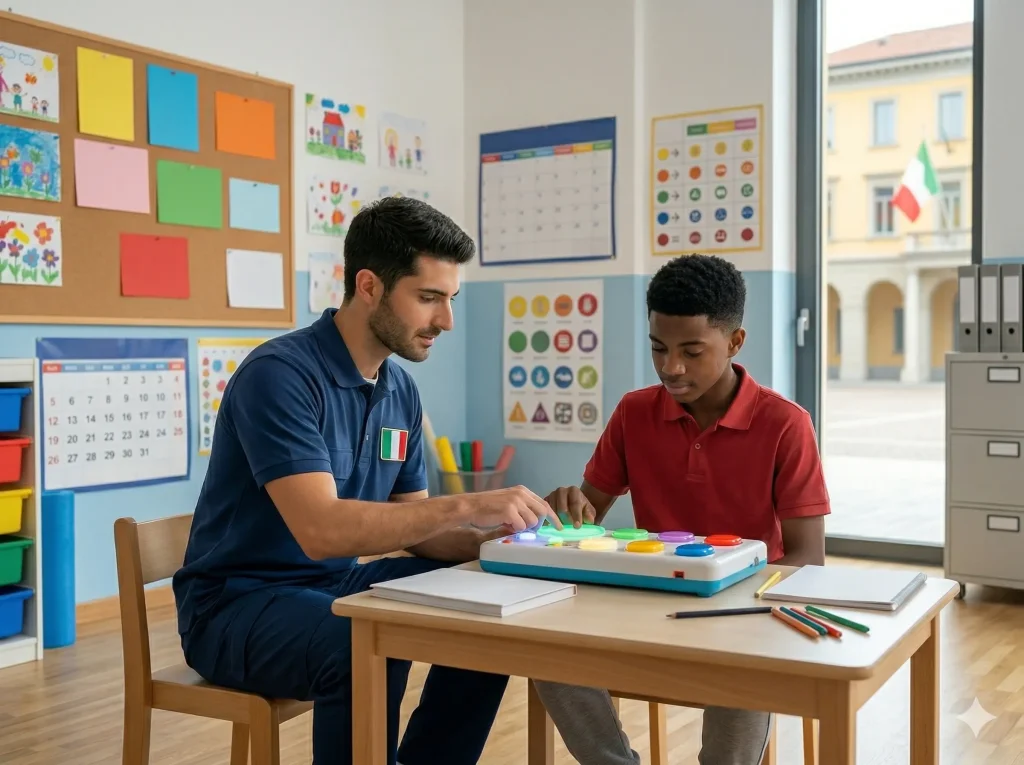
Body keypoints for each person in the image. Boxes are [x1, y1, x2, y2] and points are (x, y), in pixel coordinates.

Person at [172, 196, 561, 765]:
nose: (446, 321)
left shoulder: (399, 390)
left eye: (450, 299)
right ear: (370, 286)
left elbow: (417, 528)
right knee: (361, 645)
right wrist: (467, 505)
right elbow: (322, 532)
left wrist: (495, 548)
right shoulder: (279, 377)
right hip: (234, 607)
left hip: (329, 590)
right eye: (428, 298)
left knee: (487, 609)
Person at [531, 254, 831, 765]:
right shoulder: (634, 412)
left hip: (743, 613)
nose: (671, 367)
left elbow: (807, 558)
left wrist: (739, 603)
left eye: (692, 351)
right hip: (648, 601)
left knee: (743, 689)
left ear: (735, 342)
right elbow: (585, 520)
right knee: (548, 654)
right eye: (658, 348)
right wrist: (568, 512)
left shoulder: (785, 424)